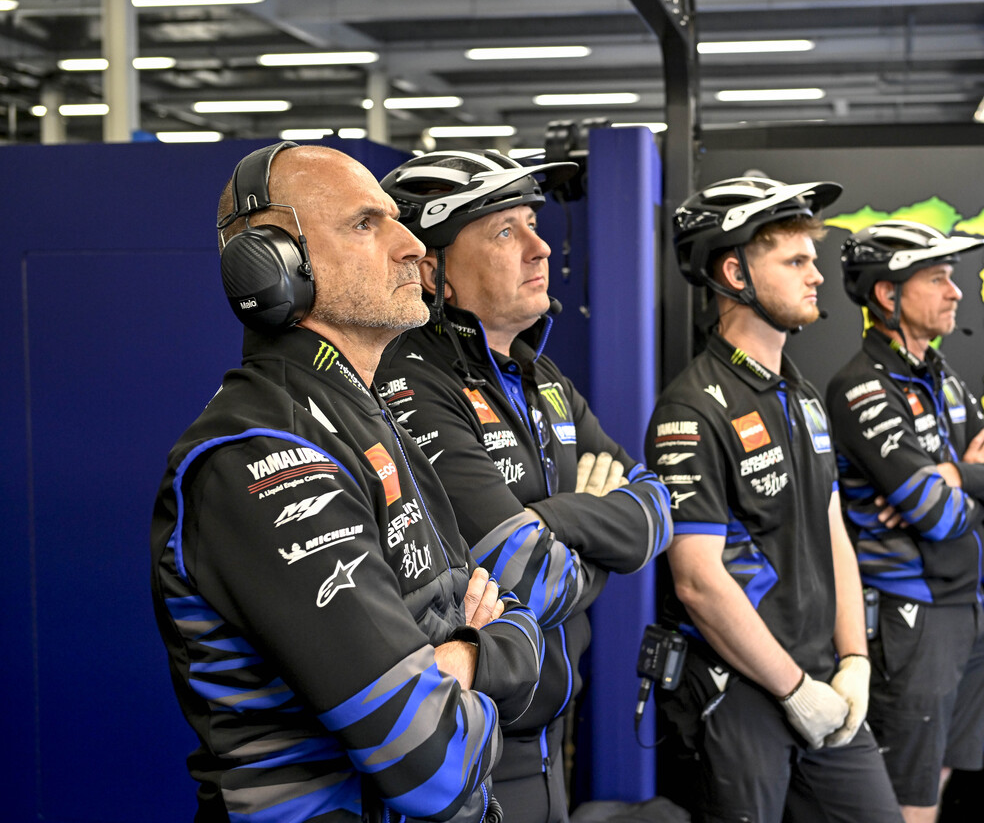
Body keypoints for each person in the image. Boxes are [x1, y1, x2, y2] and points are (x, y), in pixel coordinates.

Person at [151, 142, 545, 823]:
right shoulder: (264, 451)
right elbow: (432, 761)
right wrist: (481, 654)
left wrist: (461, 660)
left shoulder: (363, 418)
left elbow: (526, 634)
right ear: (270, 263)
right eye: (366, 224)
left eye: (397, 219)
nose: (411, 246)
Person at [375, 149, 673, 823]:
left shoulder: (541, 378)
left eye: (533, 224)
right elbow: (530, 578)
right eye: (505, 231)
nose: (539, 248)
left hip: (551, 743)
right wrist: (592, 519)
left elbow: (657, 509)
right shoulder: (411, 382)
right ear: (434, 272)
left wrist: (552, 517)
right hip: (467, 748)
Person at [645, 176, 902, 823]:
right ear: (735, 273)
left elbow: (832, 528)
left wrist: (854, 660)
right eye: (794, 261)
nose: (816, 275)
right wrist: (793, 690)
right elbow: (698, 581)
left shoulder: (802, 396)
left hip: (823, 680)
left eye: (812, 259)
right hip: (740, 694)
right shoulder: (691, 409)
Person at [826, 220, 984, 822]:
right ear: (887, 294)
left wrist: (955, 475)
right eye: (938, 278)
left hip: (965, 610)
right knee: (904, 792)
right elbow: (934, 515)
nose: (955, 291)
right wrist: (964, 479)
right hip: (909, 615)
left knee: (936, 774)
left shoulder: (940, 375)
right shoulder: (860, 386)